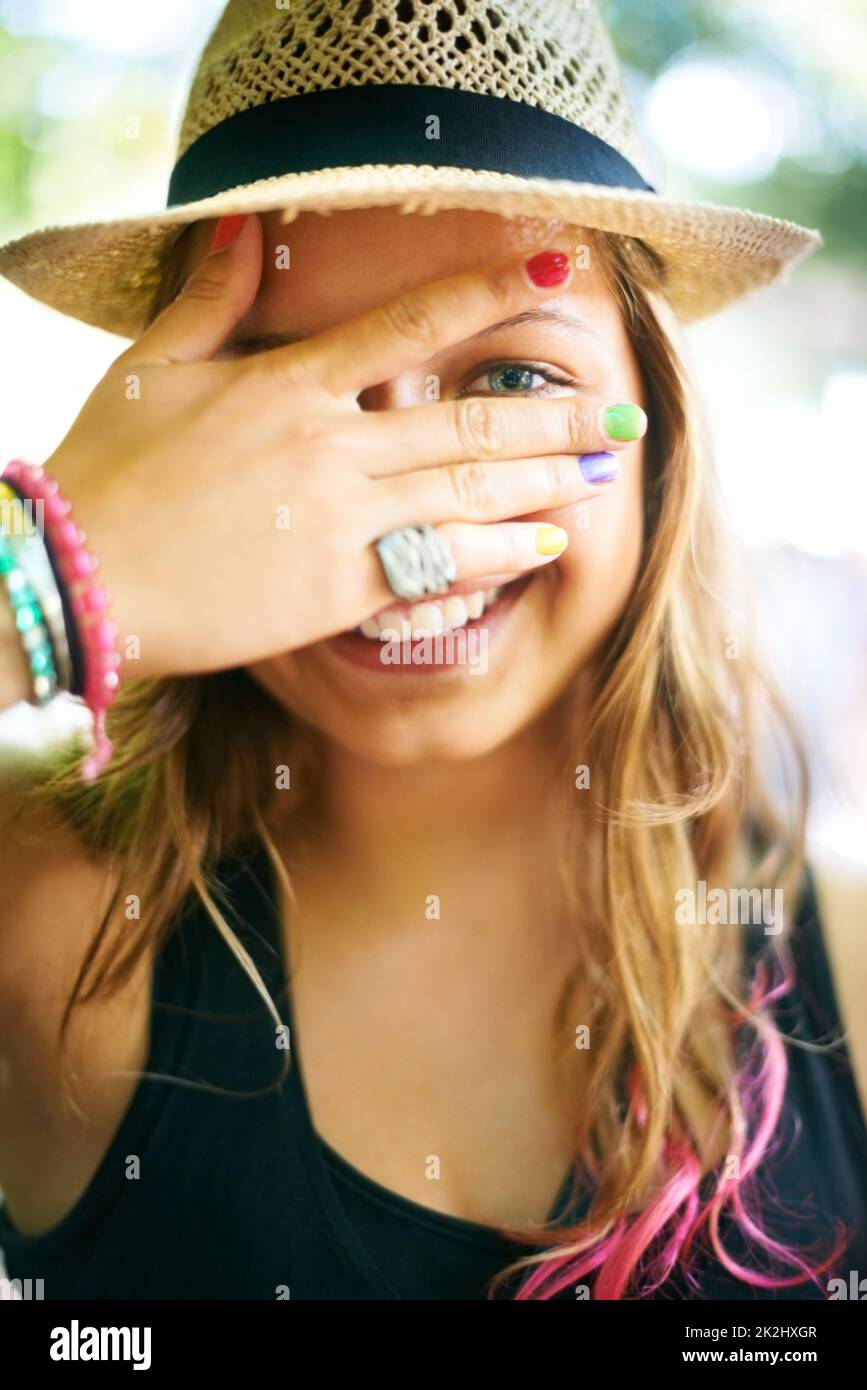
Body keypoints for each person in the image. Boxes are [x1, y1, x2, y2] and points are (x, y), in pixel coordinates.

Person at [0, 0, 864, 1302]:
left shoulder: (848, 962)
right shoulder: (45, 916)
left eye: (511, 382)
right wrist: (47, 579)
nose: (409, 522)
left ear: (659, 434)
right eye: (288, 395)